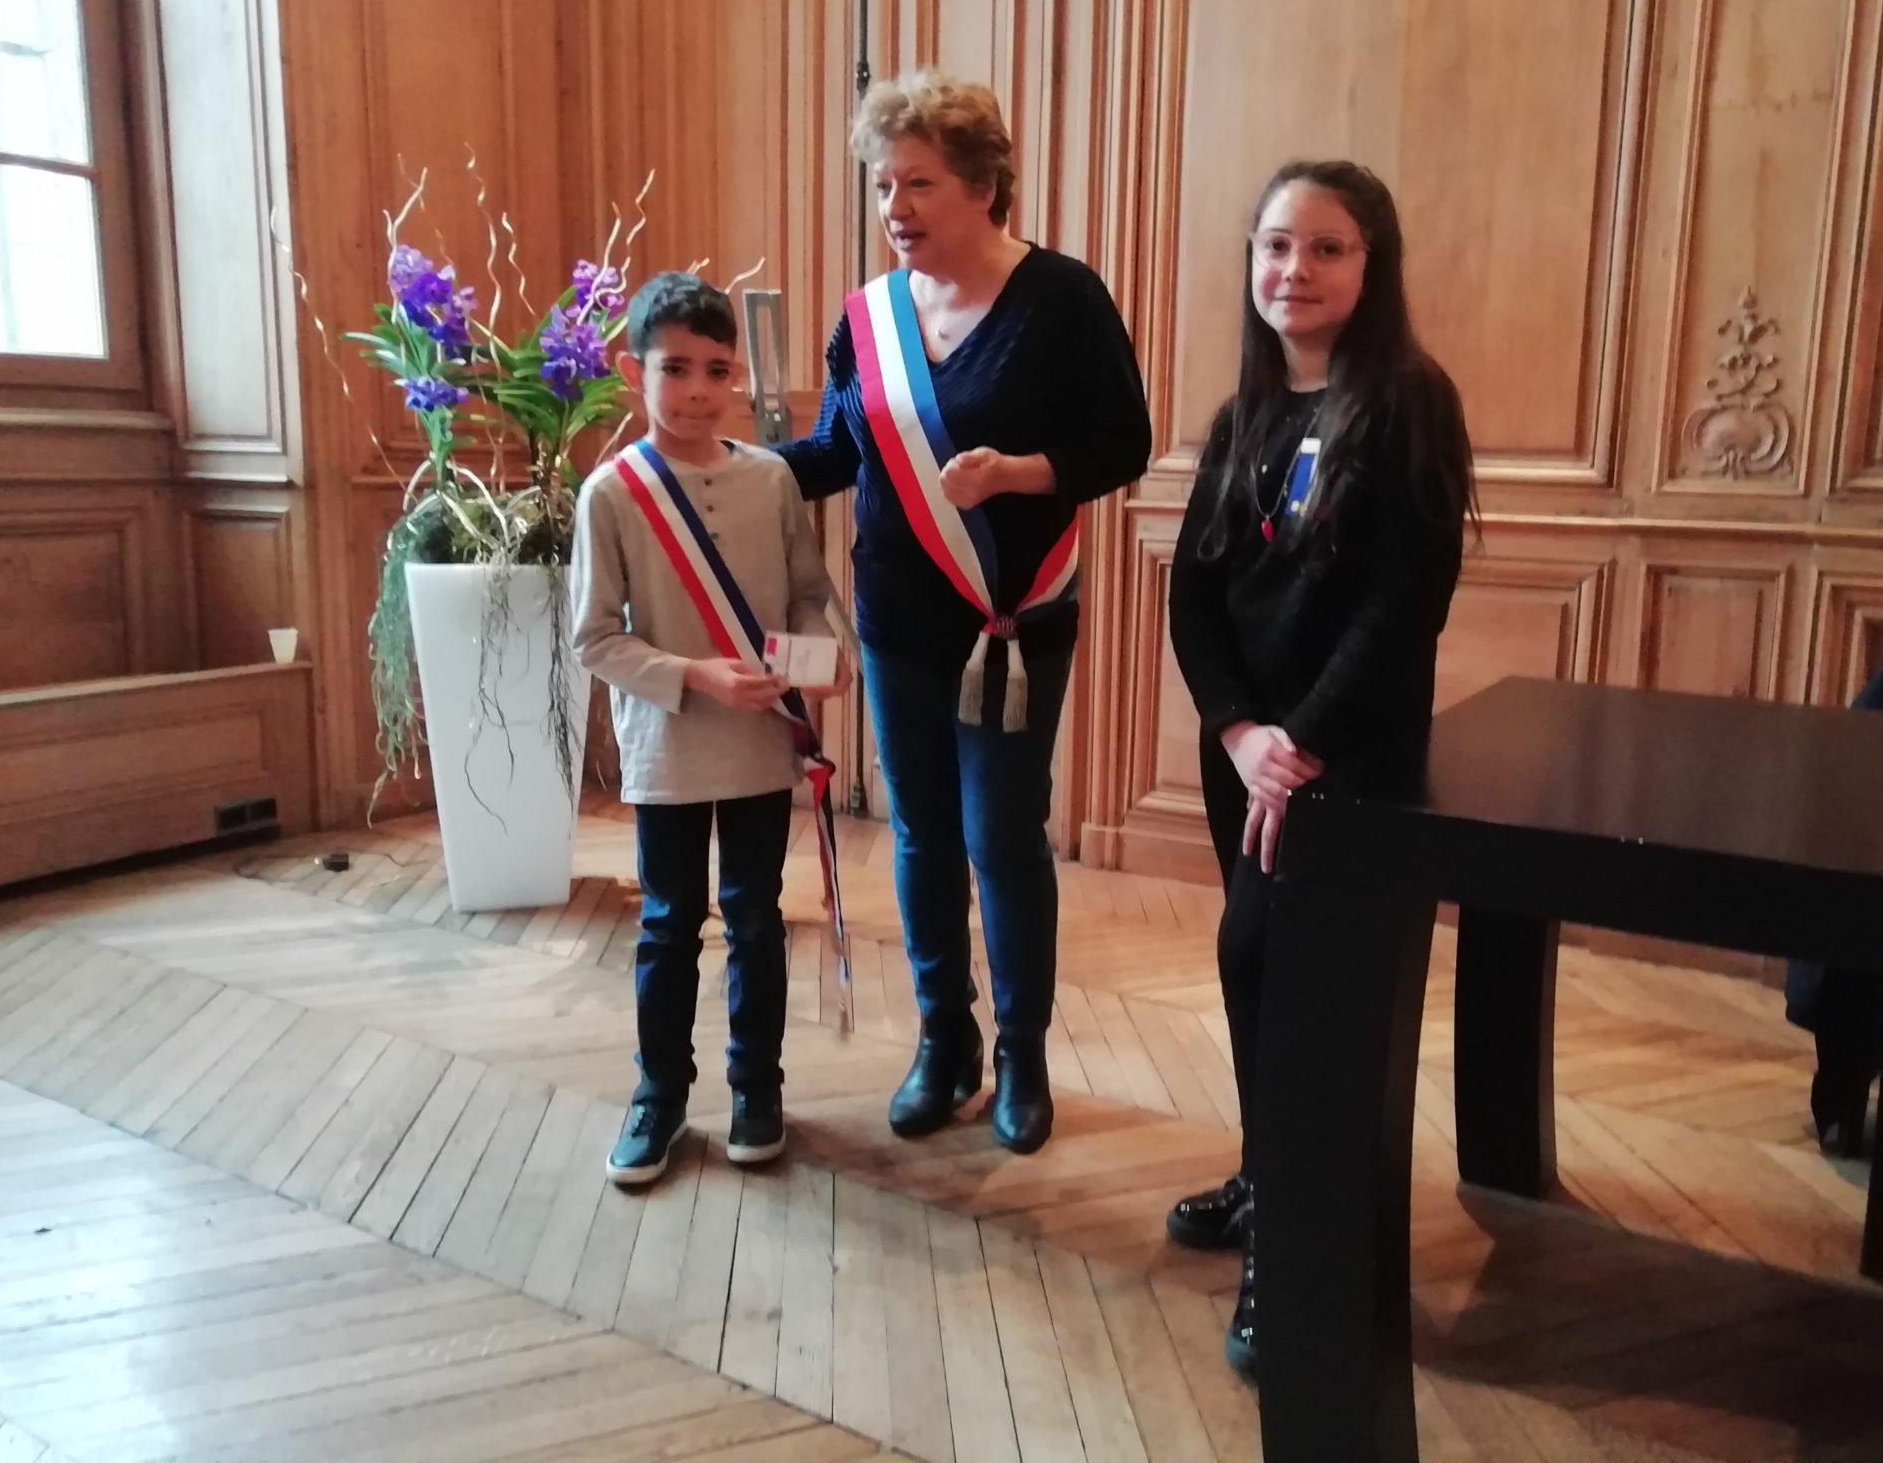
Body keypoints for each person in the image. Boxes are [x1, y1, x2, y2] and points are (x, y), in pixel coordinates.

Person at [777, 70, 1152, 1154]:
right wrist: (716, 471)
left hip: (1014, 619)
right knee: (921, 832)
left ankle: (1019, 1054)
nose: (894, 206)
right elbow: (839, 451)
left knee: (999, 833)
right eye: (883, 184)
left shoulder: (1062, 298)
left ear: (985, 185)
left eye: (919, 183)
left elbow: (1120, 445)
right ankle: (941, 1041)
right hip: (900, 613)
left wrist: (1020, 474)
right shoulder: (869, 318)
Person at [1164, 160, 1475, 1373]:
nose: (1291, 271)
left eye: (1324, 249)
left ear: (1370, 262)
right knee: (1251, 971)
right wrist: (1240, 731)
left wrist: (1295, 746)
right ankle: (1264, 1173)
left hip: (1342, 757)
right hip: (1243, 752)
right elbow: (1192, 587)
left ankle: (1290, 1254)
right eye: (1274, 247)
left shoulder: (1404, 399)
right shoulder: (1245, 410)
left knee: (1284, 979)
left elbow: (1401, 608)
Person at [571, 271, 847, 1187]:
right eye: (675, 367)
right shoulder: (612, 494)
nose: (696, 389)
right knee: (667, 925)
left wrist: (822, 660)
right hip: (671, 747)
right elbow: (595, 639)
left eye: (715, 369)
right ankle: (658, 1096)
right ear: (631, 371)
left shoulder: (770, 479)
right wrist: (693, 675)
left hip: (762, 742)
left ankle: (755, 1089)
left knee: (759, 919)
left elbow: (809, 595)